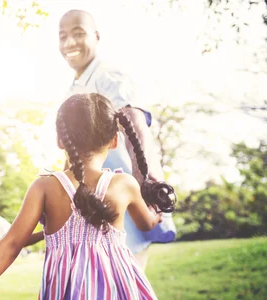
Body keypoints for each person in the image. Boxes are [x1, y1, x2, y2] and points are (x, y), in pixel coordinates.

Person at [0, 93, 176, 300]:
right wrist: (155, 208)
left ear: (60, 139)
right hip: (118, 289)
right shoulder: (125, 184)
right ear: (115, 140)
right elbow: (147, 223)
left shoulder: (44, 187)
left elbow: (11, 244)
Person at [58, 9, 174, 269]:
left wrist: (148, 184)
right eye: (62, 36)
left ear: (96, 37)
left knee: (123, 282)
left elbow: (135, 124)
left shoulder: (108, 77)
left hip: (123, 201)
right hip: (93, 205)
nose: (69, 43)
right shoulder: (74, 89)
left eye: (78, 34)